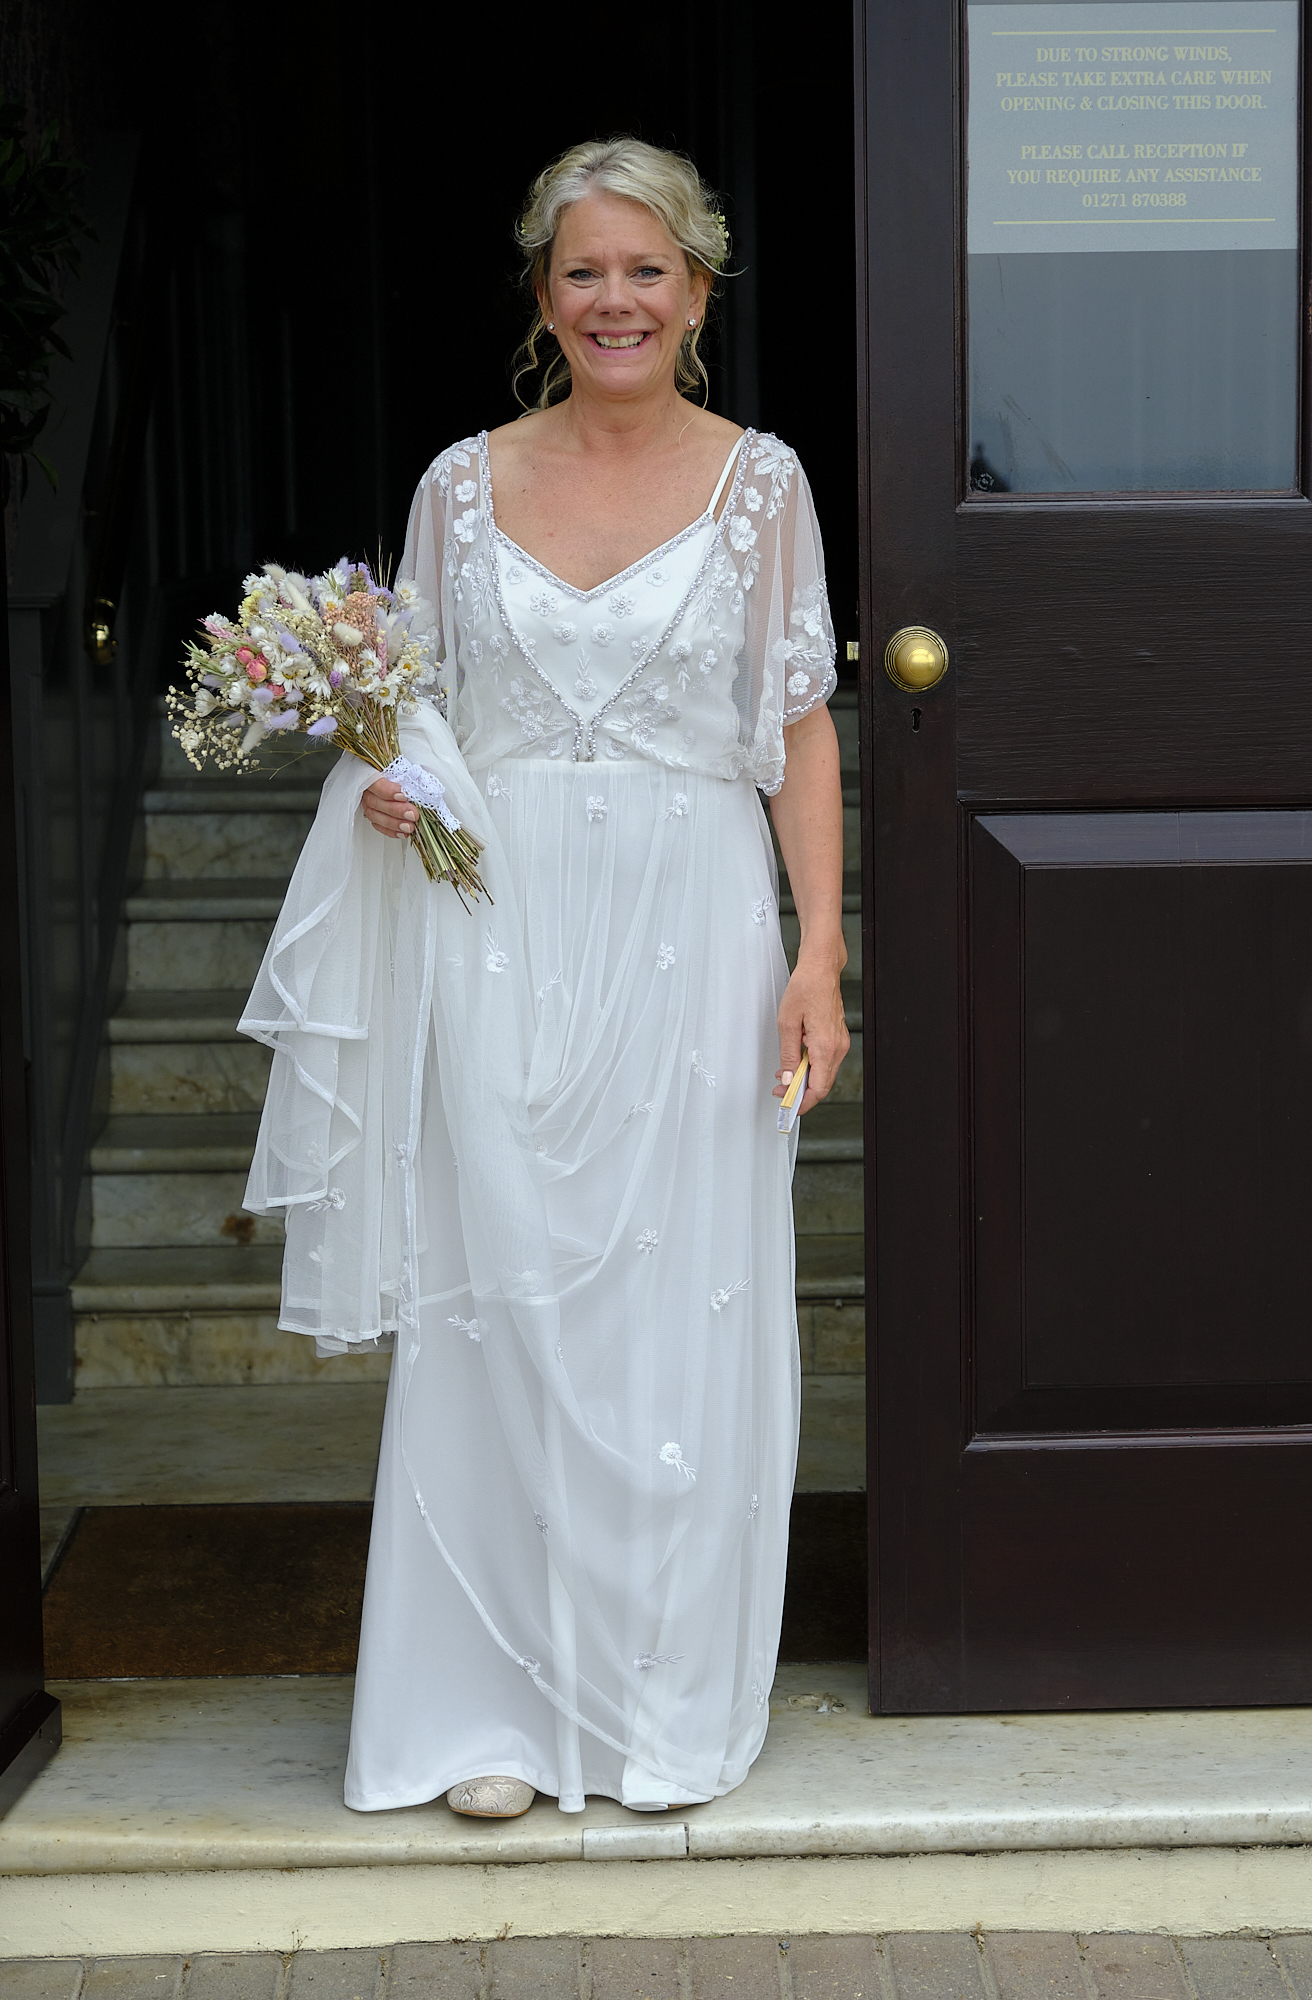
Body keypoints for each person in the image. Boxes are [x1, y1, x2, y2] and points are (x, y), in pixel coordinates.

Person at [242, 137, 848, 1821]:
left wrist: (820, 951)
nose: (614, 300)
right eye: (584, 271)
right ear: (541, 295)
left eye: (645, 270)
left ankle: (655, 1702)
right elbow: (410, 717)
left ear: (698, 291)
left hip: (693, 923)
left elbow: (797, 728)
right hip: (493, 923)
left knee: (677, 1304)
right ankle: (487, 1712)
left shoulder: (763, 486)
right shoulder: (457, 486)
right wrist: (386, 783)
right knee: (495, 1297)